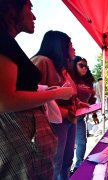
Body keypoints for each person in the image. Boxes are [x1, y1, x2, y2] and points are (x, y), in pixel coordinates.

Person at [0, 1, 73, 179]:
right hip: (21, 144)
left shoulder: (8, 43)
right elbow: (5, 100)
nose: (34, 16)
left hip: (28, 144)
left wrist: (44, 90)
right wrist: (58, 93)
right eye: (30, 8)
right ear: (12, 8)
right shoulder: (4, 42)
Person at [32, 30, 86, 180]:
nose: (74, 49)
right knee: (55, 165)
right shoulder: (42, 61)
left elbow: (68, 94)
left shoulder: (63, 69)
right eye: (71, 45)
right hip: (55, 123)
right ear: (60, 46)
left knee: (66, 162)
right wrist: (62, 110)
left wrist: (78, 102)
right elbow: (33, 93)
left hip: (70, 120)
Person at [69, 56, 95, 173]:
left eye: (86, 66)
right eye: (81, 65)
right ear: (74, 65)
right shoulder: (69, 78)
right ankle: (65, 171)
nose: (84, 68)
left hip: (80, 118)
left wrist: (94, 113)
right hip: (67, 117)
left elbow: (91, 100)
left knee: (82, 143)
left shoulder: (88, 81)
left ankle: (78, 167)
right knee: (67, 148)